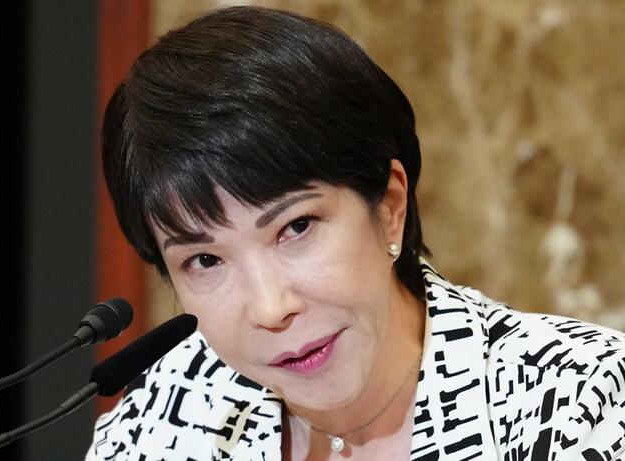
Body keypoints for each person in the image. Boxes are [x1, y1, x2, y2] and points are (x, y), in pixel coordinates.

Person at [86, 6, 625, 461]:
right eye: (205, 260)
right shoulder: (160, 420)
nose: (271, 309)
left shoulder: (581, 400)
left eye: (296, 227)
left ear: (389, 206)